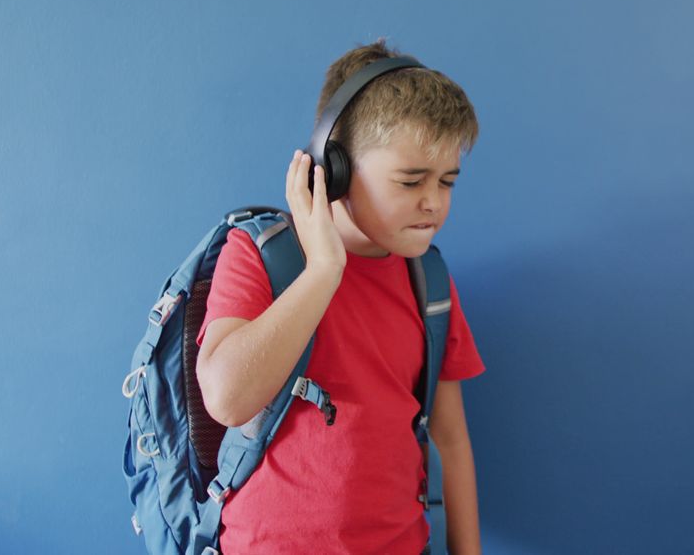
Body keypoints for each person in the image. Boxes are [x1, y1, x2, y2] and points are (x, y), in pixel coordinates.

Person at [193, 38, 485, 554]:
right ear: (335, 169)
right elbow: (227, 399)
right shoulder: (258, 255)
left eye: (447, 182)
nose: (433, 203)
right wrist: (325, 268)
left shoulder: (430, 281)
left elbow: (452, 440)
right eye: (410, 180)